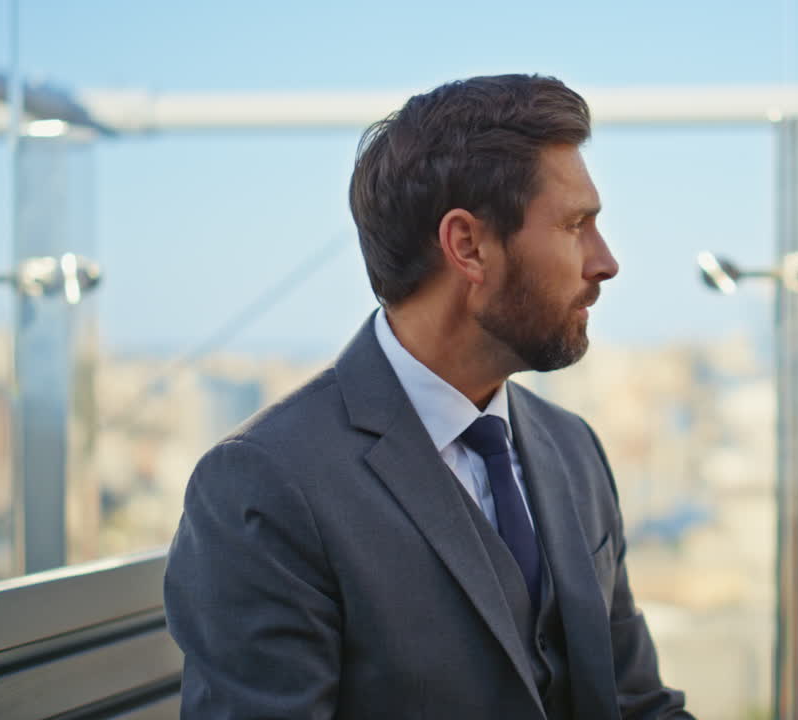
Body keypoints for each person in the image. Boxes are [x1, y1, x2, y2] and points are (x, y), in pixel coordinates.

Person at [164, 73, 693, 719]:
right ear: (468, 246)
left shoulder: (571, 447)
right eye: (576, 224)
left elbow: (636, 704)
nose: (605, 261)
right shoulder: (265, 484)